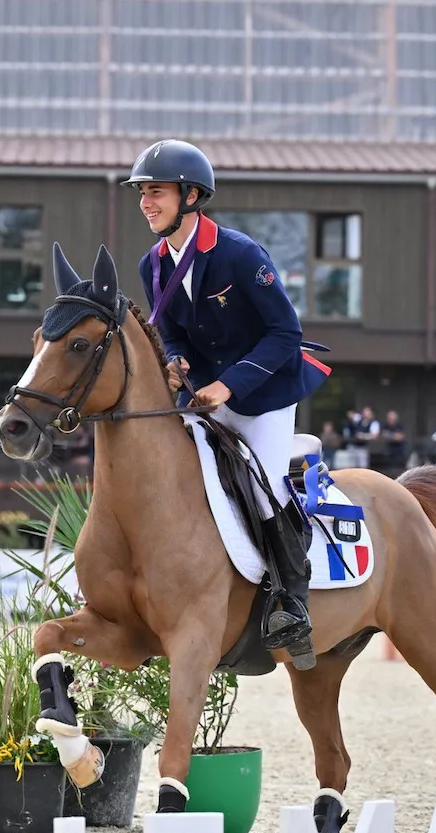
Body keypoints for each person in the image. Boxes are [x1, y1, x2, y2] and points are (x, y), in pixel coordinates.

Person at [123, 138, 329, 667]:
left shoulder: (240, 255)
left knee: (262, 490)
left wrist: (230, 386)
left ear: (191, 196)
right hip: (205, 395)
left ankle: (292, 606)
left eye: (157, 193)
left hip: (264, 393)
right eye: (143, 193)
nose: (147, 203)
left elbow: (285, 332)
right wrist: (176, 362)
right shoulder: (153, 263)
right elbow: (171, 333)